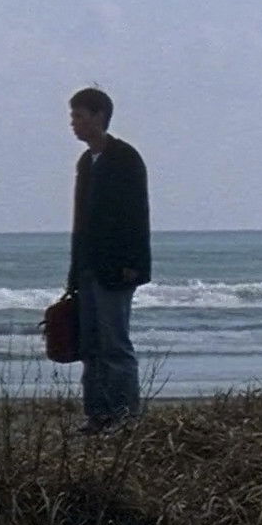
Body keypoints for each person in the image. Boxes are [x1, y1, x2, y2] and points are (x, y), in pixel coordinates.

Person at [64, 87, 150, 434]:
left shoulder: (125, 157)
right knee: (90, 345)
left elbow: (136, 215)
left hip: (117, 267)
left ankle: (125, 416)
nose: (74, 123)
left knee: (115, 343)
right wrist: (74, 272)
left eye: (79, 116)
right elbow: (81, 222)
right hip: (88, 266)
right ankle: (98, 414)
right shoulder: (86, 162)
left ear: (99, 116)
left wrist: (133, 263)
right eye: (73, 116)